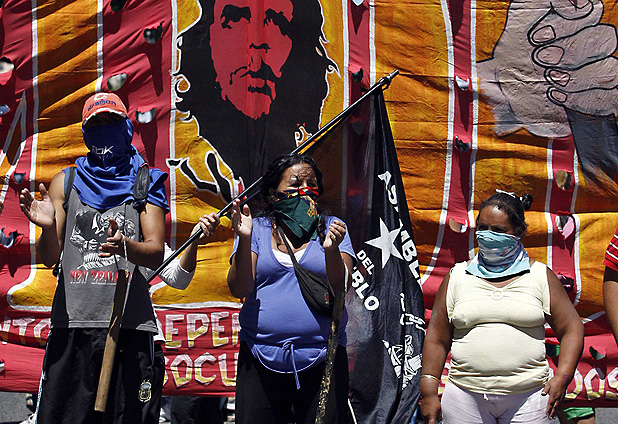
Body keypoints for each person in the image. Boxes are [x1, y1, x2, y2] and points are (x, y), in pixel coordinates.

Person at [19, 92, 169, 423]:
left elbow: (155, 251)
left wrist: (125, 247)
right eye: (96, 124)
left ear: (126, 126)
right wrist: (47, 228)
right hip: (73, 325)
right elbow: (50, 257)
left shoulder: (146, 180)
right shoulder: (66, 182)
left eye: (111, 121)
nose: (104, 130)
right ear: (85, 133)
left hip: (129, 326)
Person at [420, 190, 584, 424]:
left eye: (498, 230)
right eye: (483, 228)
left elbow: (572, 329)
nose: (488, 236)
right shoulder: (457, 276)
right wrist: (428, 390)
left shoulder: (539, 276)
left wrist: (562, 378)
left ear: (518, 232)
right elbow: (436, 338)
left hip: (530, 398)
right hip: (465, 397)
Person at [227, 153, 355, 424]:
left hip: (323, 359)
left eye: (311, 184)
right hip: (260, 358)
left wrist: (332, 251)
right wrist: (244, 238)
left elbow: (342, 288)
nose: (304, 190)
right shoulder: (257, 229)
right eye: (295, 184)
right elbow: (239, 287)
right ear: (273, 194)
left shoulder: (333, 228)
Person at [175, 0, 337, 198]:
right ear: (207, 40)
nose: (257, 43)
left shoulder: (312, 162)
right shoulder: (186, 164)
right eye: (235, 18)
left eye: (277, 22)